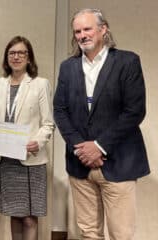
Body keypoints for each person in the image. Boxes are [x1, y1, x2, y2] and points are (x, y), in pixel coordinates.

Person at [53, 8, 150, 240]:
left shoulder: (127, 61)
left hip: (118, 163)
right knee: (88, 233)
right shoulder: (68, 67)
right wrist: (81, 147)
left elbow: (134, 111)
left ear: (103, 29)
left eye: (87, 29)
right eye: (77, 31)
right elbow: (60, 110)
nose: (82, 35)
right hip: (80, 165)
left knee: (121, 234)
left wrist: (99, 146)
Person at [0, 36, 54, 240]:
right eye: (12, 53)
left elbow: (48, 123)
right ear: (6, 57)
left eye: (21, 53)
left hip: (31, 160)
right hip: (6, 159)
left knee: (29, 217)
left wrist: (38, 141)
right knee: (15, 214)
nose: (16, 57)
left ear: (29, 58)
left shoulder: (40, 84)